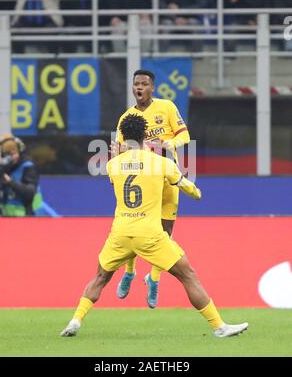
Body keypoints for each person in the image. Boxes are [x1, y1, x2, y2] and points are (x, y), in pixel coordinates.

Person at [60, 113, 248, 338]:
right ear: (145, 134)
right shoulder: (161, 163)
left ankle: (75, 321)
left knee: (100, 277)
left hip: (120, 234)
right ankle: (219, 326)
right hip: (149, 234)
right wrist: (197, 193)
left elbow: (119, 175)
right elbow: (185, 185)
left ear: (123, 136)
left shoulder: (112, 165)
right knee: (188, 275)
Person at [112, 69, 190, 309]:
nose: (140, 87)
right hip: (144, 181)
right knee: (138, 227)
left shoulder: (166, 107)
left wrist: (170, 143)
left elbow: (184, 135)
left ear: (152, 88)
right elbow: (117, 151)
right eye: (136, 84)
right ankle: (130, 271)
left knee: (165, 234)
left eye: (144, 84)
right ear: (133, 87)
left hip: (167, 176)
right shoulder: (127, 118)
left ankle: (153, 278)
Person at [0, 133, 44, 216]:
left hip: (27, 215)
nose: (12, 157)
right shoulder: (2, 167)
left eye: (14, 153)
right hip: (6, 217)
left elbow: (29, 193)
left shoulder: (28, 166)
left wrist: (10, 182)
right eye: (7, 154)